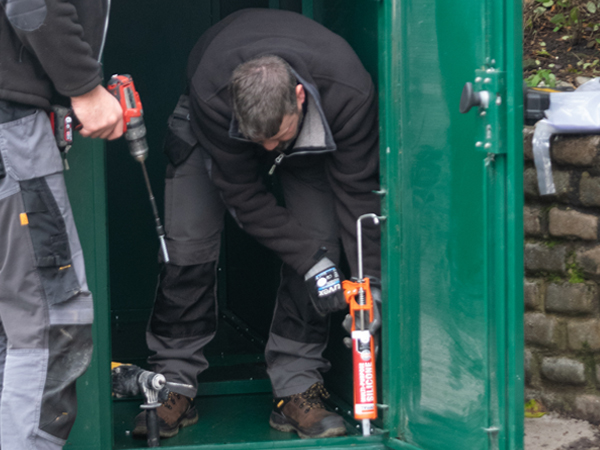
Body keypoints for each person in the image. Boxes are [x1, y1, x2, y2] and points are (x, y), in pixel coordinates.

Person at [135, 8, 381, 440]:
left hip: (314, 138)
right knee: (187, 244)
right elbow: (243, 196)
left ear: (300, 96)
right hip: (211, 128)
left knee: (321, 241)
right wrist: (309, 260)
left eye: (277, 138)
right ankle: (172, 381)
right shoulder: (214, 92)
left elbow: (358, 194)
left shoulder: (349, 92)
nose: (268, 149)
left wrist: (371, 282)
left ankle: (297, 385)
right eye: (260, 141)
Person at [0, 1, 123, 448]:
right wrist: (85, 87)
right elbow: (32, 6)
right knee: (50, 328)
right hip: (10, 131)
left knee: (9, 331)